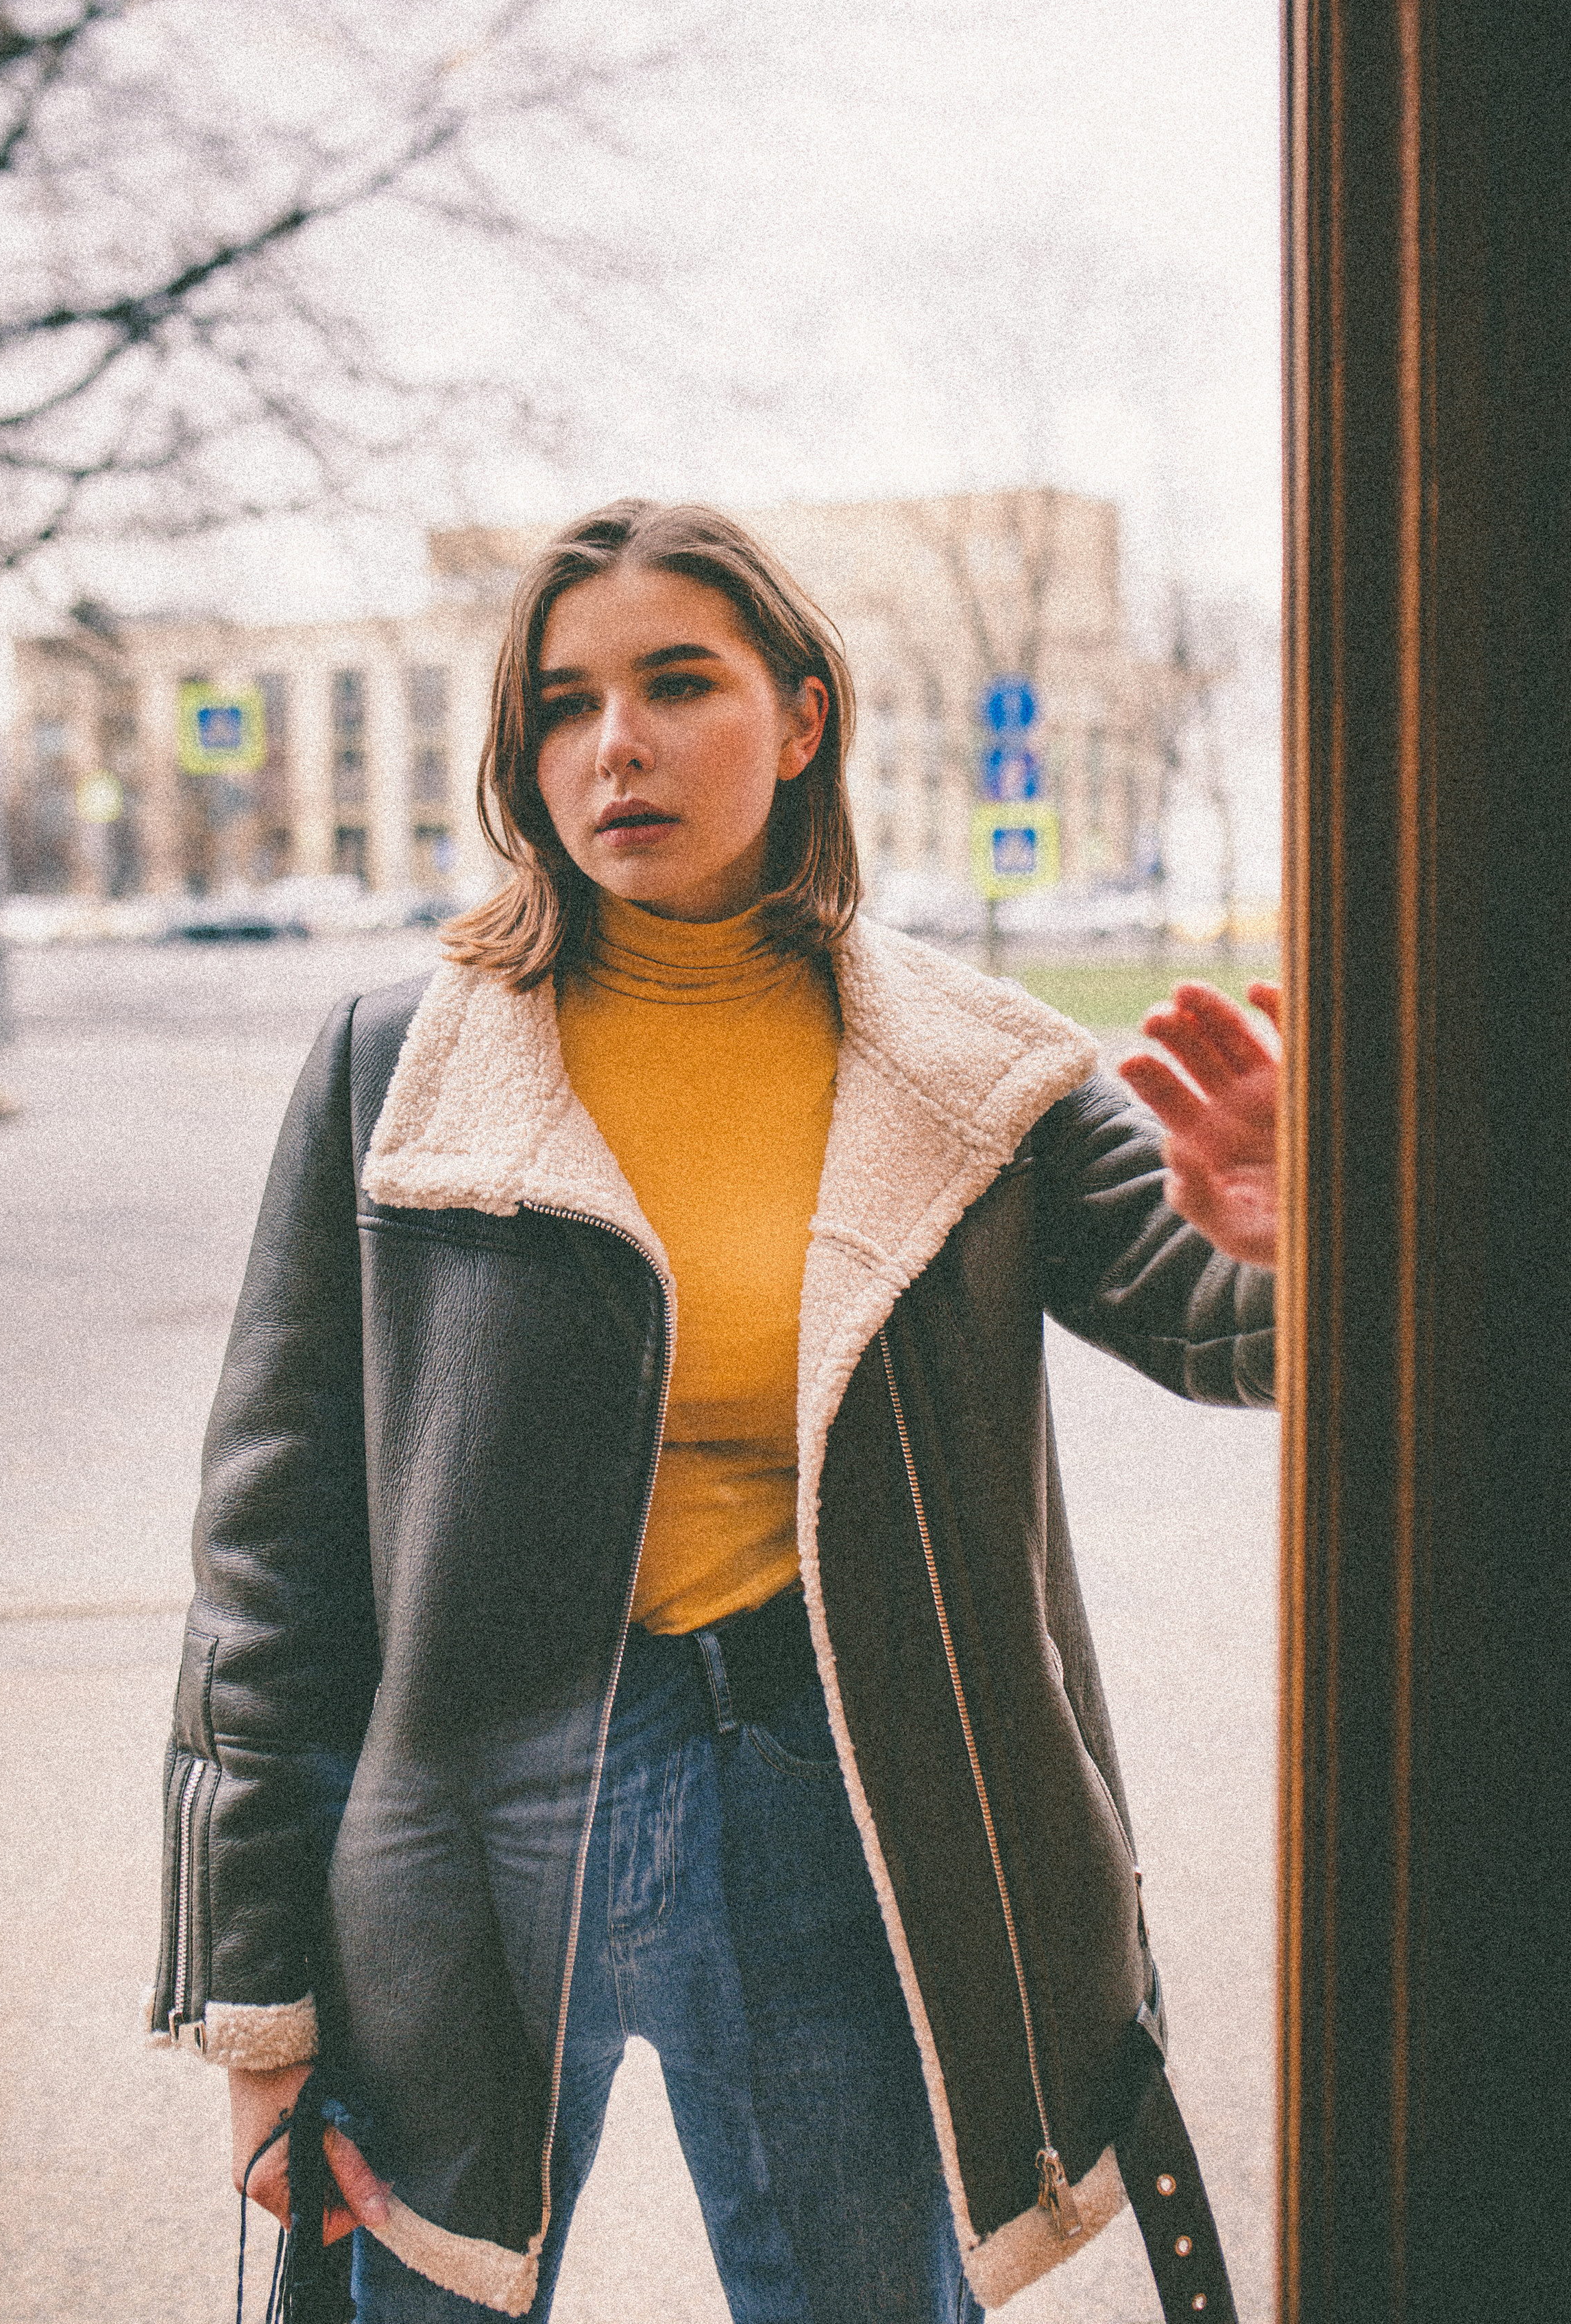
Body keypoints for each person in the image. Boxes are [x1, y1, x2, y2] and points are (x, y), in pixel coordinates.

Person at [149, 500, 1279, 2324]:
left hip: (833, 1780)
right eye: (562, 704)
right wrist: (256, 1998)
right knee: (420, 2295)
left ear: (805, 716)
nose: (618, 744)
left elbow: (1227, 1324)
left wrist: (1297, 1236)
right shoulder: (396, 1068)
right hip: (480, 1822)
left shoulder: (973, 1070)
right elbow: (270, 1557)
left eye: (680, 683)